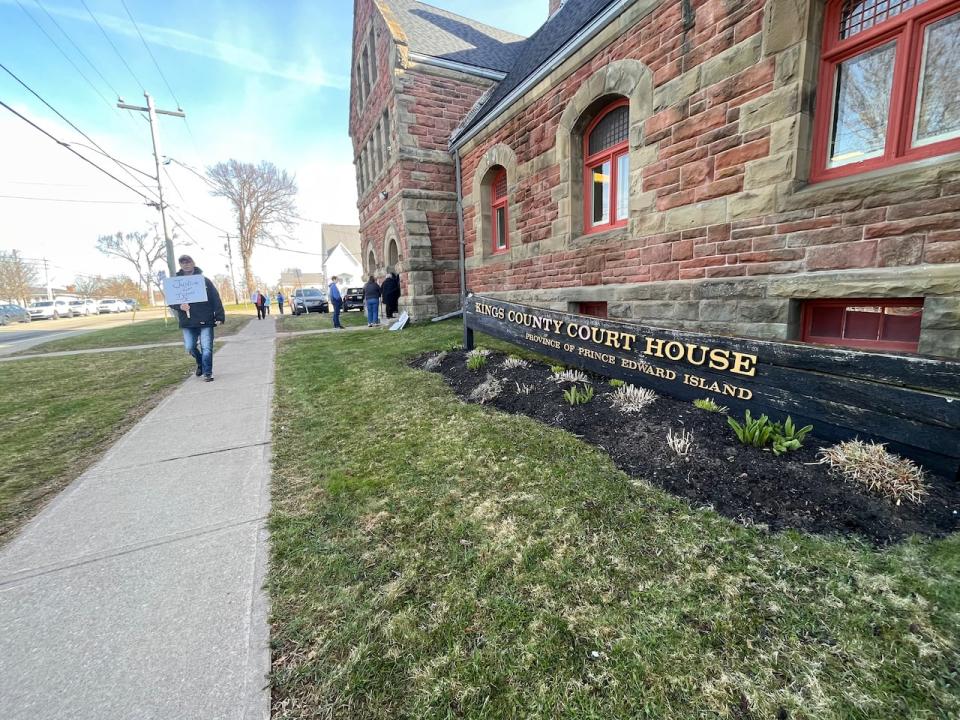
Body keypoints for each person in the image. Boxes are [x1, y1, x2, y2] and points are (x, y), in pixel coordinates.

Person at [170, 255, 225, 382]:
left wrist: (219, 315)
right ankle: (200, 363)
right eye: (183, 262)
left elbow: (215, 298)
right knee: (190, 346)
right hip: (187, 321)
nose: (186, 264)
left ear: (193, 263)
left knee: (206, 347)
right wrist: (180, 306)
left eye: (188, 262)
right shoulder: (175, 282)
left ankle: (207, 372)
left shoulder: (204, 281)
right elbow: (172, 301)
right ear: (180, 265)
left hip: (205, 318)